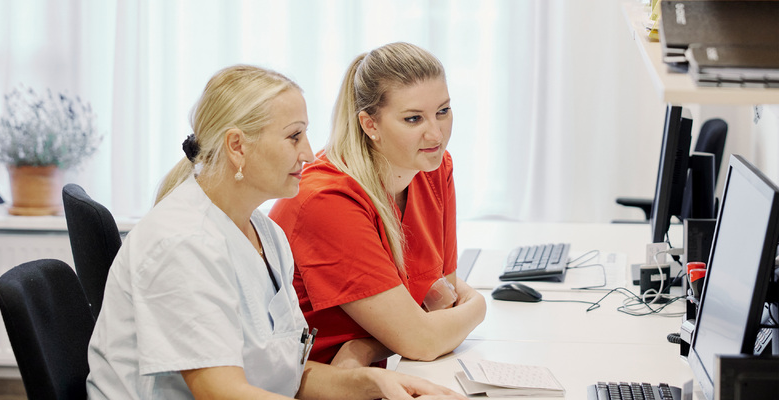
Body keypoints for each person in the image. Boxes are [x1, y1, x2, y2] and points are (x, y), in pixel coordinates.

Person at [85, 64, 466, 399]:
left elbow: (287, 375)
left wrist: (377, 384)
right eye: (294, 136)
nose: (309, 153)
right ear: (237, 146)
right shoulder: (182, 242)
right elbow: (220, 392)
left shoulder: (265, 233)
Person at [269, 42, 487, 368]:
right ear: (370, 124)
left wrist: (369, 347)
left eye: (443, 111)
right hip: (312, 380)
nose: (436, 134)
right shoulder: (327, 199)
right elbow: (423, 339)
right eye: (413, 119)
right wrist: (480, 306)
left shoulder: (433, 168)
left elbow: (443, 299)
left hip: (377, 371)